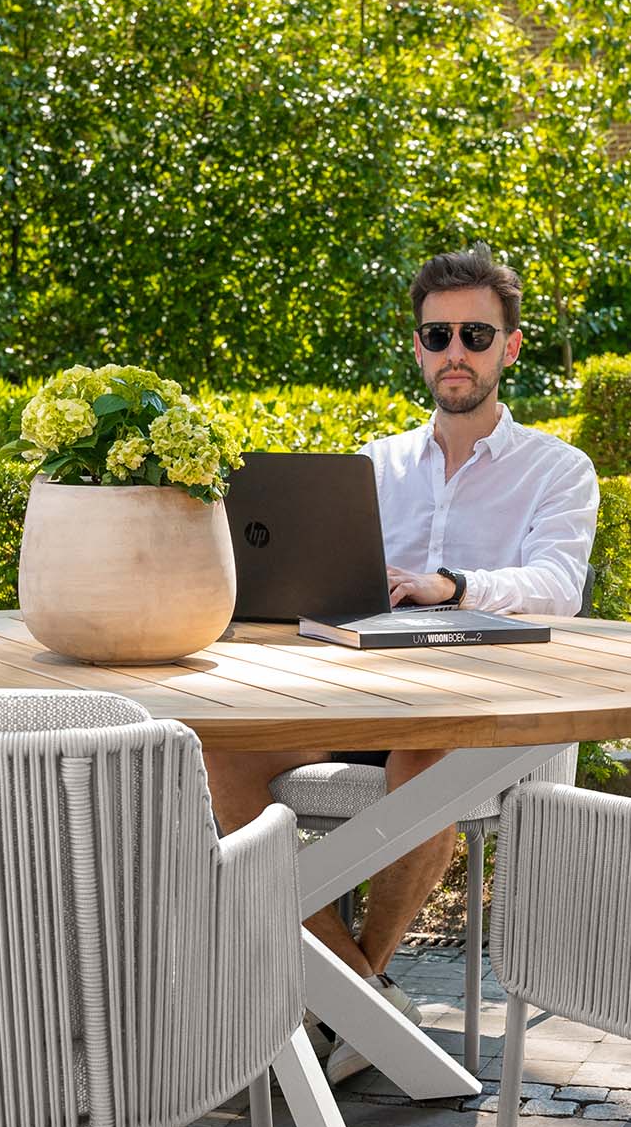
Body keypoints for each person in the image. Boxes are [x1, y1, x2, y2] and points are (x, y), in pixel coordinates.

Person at [204, 244, 599, 1078]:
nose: (456, 352)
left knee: (428, 760)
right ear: (418, 348)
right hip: (351, 697)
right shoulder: (371, 466)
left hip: (479, 714)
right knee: (214, 754)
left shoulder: (559, 471)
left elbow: (558, 585)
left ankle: (347, 995)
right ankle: (367, 998)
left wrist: (449, 586)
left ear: (511, 348)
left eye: (476, 336)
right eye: (439, 335)